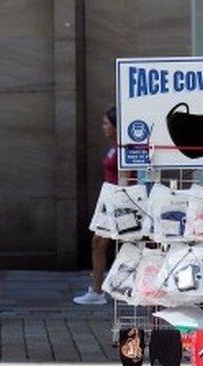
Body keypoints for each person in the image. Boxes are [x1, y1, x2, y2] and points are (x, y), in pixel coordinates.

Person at [73, 106, 118, 305]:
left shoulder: (124, 148)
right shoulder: (114, 147)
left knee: (100, 244)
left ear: (117, 127)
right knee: (97, 243)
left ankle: (98, 290)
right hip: (109, 199)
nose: (103, 128)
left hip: (118, 201)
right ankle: (97, 289)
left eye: (106, 124)